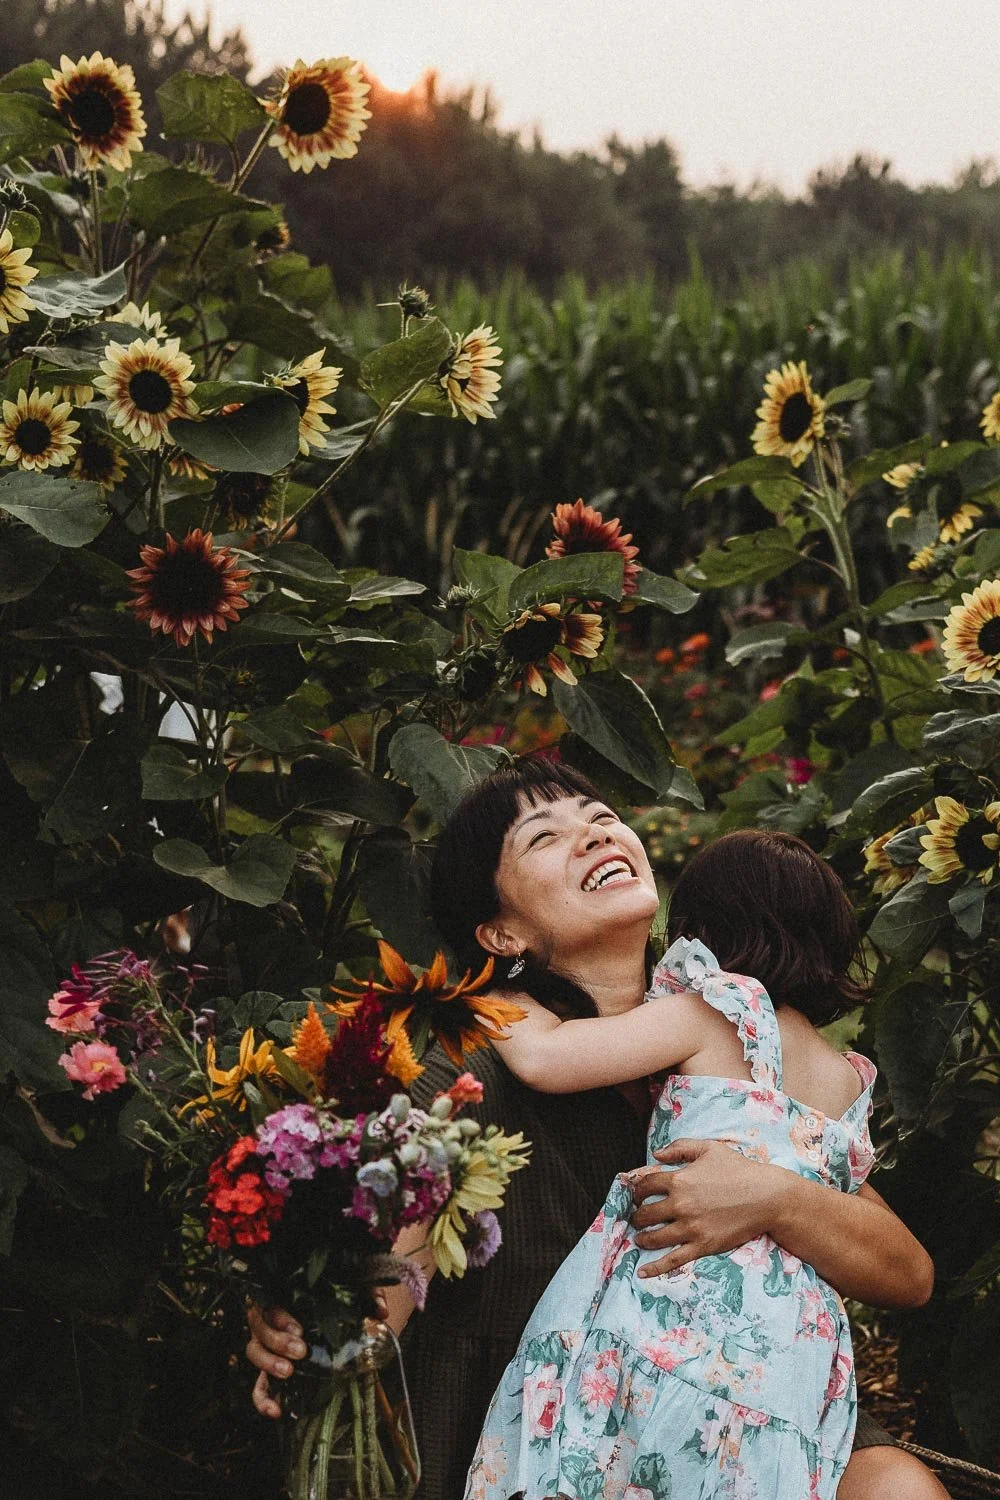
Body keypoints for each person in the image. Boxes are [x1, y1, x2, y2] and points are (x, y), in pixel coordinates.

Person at [247, 759, 946, 1499]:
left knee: (897, 1488)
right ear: (502, 932)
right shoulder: (482, 1070)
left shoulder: (740, 1055)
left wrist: (775, 1197)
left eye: (600, 817)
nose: (592, 833)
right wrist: (307, 1323)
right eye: (544, 836)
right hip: (549, 1432)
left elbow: (906, 1273)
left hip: (744, 1412)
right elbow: (385, 1272)